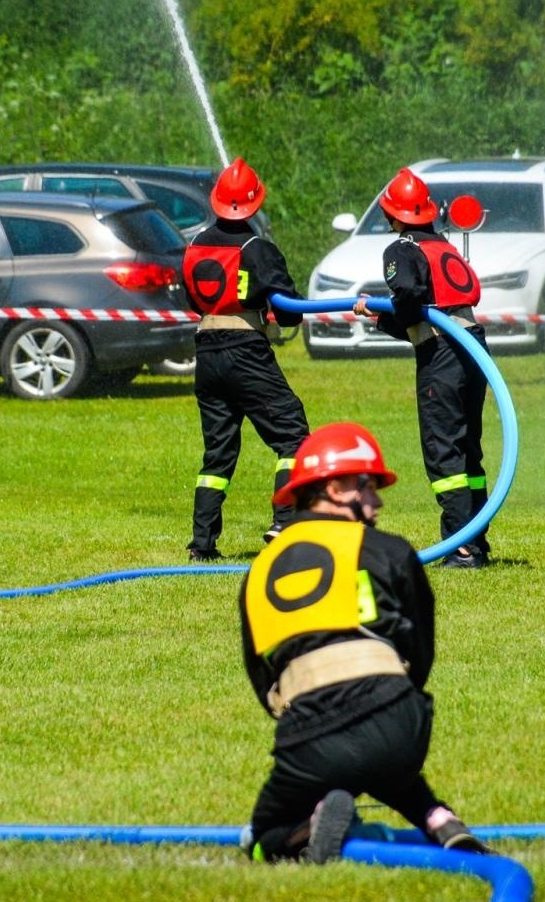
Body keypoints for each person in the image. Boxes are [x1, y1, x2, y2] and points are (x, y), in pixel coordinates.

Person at [239, 421, 490, 862]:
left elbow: (262, 678)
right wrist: (398, 697)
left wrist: (301, 723)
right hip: (400, 721)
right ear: (335, 488)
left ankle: (308, 827)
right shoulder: (389, 550)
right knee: (376, 755)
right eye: (369, 488)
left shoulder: (258, 573)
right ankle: (437, 819)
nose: (377, 503)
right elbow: (421, 647)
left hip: (310, 736)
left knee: (262, 840)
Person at [355, 167, 492, 568]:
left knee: (443, 450)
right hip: (473, 347)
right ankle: (475, 540)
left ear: (394, 216)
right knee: (468, 449)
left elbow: (412, 299)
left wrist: (377, 307)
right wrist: (382, 318)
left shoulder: (402, 249)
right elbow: (427, 312)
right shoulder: (444, 247)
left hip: (443, 356)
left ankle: (461, 546)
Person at [183, 157, 310, 562]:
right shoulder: (257, 248)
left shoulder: (194, 245)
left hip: (206, 351)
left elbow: (192, 299)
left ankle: (202, 544)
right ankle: (285, 521)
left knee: (217, 453)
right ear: (256, 203)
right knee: (292, 435)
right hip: (246, 352)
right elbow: (290, 310)